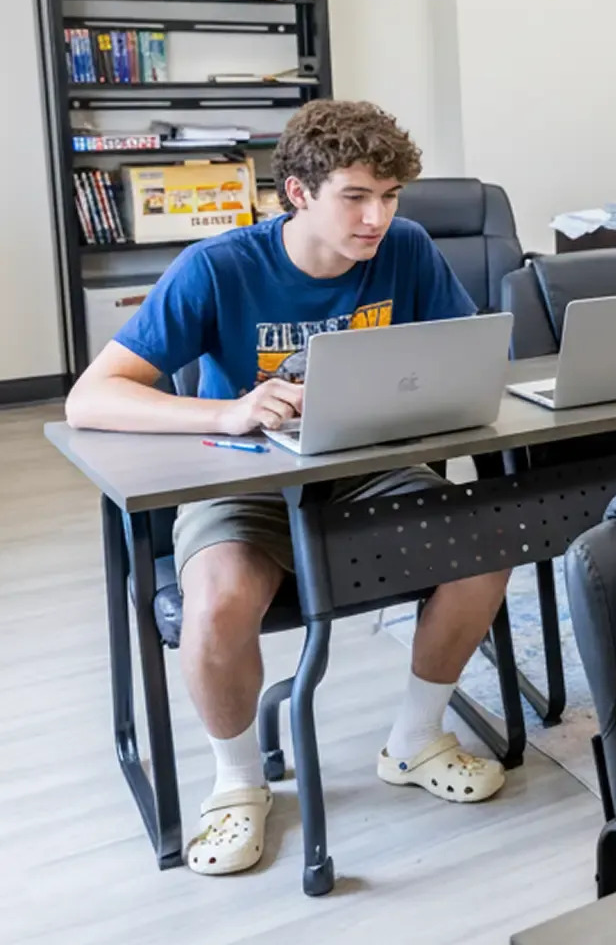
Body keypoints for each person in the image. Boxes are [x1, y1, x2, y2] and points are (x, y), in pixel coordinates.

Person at [64, 101, 512, 878]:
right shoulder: (219, 267)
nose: (378, 217)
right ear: (299, 193)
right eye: (356, 196)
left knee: (487, 548)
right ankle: (239, 784)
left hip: (364, 466)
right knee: (217, 606)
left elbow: (466, 354)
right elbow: (89, 399)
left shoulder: (405, 250)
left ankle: (414, 738)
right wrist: (229, 409)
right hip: (246, 479)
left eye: (391, 195)